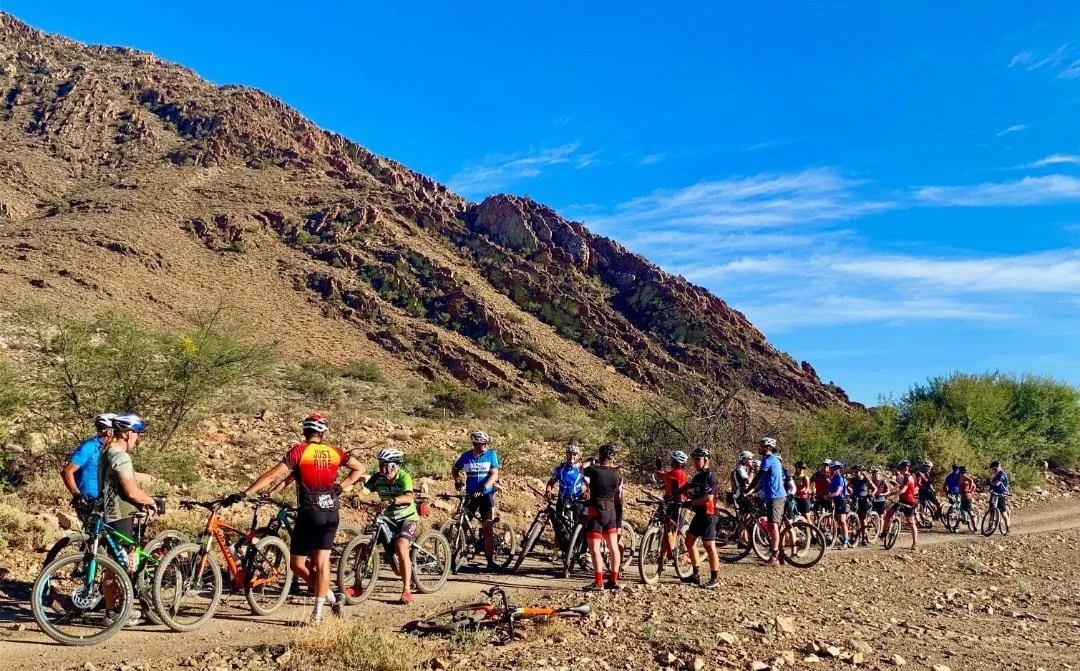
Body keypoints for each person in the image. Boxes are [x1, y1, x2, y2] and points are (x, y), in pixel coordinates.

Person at [238, 414, 365, 622]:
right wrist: (341, 487)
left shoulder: (300, 450)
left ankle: (323, 606)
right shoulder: (334, 452)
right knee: (322, 563)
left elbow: (273, 475)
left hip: (309, 513)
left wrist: (246, 492)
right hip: (330, 512)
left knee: (297, 564)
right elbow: (360, 468)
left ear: (305, 432)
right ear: (322, 433)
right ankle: (325, 603)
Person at [98, 413, 159, 625]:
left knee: (112, 565)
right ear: (128, 434)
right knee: (123, 565)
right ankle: (119, 612)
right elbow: (132, 492)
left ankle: (112, 611)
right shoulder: (120, 456)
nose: (137, 439)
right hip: (122, 514)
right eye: (137, 434)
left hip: (108, 512)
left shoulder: (106, 452)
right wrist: (152, 502)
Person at [359, 448, 419, 605]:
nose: (381, 468)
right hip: (387, 518)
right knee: (366, 546)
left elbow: (409, 496)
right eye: (380, 465)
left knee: (401, 548)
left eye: (385, 465)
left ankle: (406, 590)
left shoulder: (404, 476)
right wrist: (356, 497)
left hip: (406, 518)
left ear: (394, 465)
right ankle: (357, 586)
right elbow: (364, 490)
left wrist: (393, 500)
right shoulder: (378, 478)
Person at [451, 430, 501, 571]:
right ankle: (457, 554)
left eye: (486, 443)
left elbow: (494, 474)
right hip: (470, 495)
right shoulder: (466, 456)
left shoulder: (491, 454)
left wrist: (484, 487)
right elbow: (455, 469)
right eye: (482, 444)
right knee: (463, 526)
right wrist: (457, 479)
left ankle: (490, 561)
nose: (485, 445)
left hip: (486, 495)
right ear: (475, 444)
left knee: (488, 528)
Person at [582, 444, 624, 590]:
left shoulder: (594, 470)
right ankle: (613, 580)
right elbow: (619, 495)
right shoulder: (617, 474)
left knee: (594, 548)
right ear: (612, 458)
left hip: (596, 511)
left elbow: (581, 468)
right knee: (613, 547)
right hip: (611, 512)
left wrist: (590, 460)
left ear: (600, 457)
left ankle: (598, 582)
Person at [680, 447, 719, 587]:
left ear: (706, 460)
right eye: (694, 459)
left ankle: (715, 579)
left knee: (709, 546)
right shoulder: (698, 476)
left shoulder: (710, 476)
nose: (696, 462)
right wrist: (673, 496)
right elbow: (687, 486)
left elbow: (708, 498)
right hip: (699, 514)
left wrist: (691, 503)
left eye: (698, 459)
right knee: (689, 542)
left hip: (709, 514)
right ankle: (696, 574)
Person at [61, 413, 116, 513]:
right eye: (116, 431)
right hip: (88, 503)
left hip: (106, 502)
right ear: (109, 432)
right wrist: (77, 495)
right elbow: (67, 471)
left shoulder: (109, 449)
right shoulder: (90, 446)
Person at [747, 437, 786, 566]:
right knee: (772, 526)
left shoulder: (768, 460)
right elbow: (764, 481)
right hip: (773, 496)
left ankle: (775, 557)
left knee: (774, 527)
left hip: (775, 497)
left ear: (767, 448)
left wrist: (748, 488)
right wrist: (752, 491)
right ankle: (778, 554)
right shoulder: (774, 460)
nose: (759, 448)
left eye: (761, 446)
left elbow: (758, 477)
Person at [653, 450, 689, 574]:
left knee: (673, 531)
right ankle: (669, 554)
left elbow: (660, 476)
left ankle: (676, 554)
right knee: (673, 529)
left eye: (672, 460)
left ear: (674, 462)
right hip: (675, 504)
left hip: (677, 505)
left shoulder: (675, 473)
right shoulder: (683, 472)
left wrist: (658, 467)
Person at [880, 460, 918, 549]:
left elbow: (903, 490)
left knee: (911, 523)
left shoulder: (908, 478)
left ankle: (915, 543)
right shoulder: (904, 477)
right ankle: (884, 532)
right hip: (901, 501)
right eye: (903, 468)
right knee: (888, 514)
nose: (903, 469)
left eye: (904, 468)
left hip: (909, 502)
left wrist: (890, 494)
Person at [827, 462, 850, 549]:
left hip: (841, 500)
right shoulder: (832, 479)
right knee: (836, 521)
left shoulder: (840, 478)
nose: (830, 470)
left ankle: (846, 542)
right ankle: (836, 538)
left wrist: (830, 495)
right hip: (834, 500)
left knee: (842, 522)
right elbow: (829, 490)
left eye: (831, 468)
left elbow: (838, 492)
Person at [848, 465, 873, 545]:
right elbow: (847, 486)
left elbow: (874, 488)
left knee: (863, 519)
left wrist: (871, 494)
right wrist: (850, 492)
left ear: (861, 472)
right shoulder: (853, 479)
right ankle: (854, 535)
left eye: (856, 471)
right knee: (852, 517)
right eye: (854, 471)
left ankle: (864, 538)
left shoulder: (866, 479)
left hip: (863, 499)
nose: (855, 473)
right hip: (855, 498)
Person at [988, 461, 1011, 534]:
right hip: (994, 494)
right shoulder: (996, 475)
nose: (992, 471)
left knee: (1003, 513)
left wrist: (990, 483)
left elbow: (997, 483)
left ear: (996, 468)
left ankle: (1008, 530)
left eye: (993, 469)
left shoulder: (1002, 474)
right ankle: (990, 527)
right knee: (991, 511)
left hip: (1001, 495)